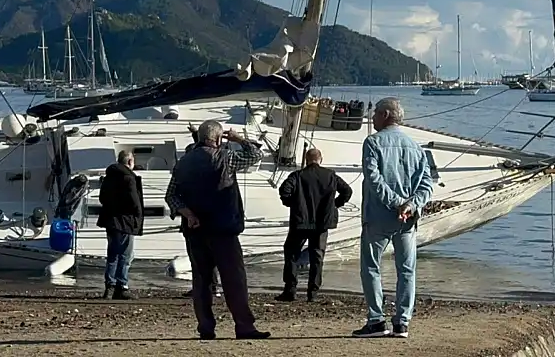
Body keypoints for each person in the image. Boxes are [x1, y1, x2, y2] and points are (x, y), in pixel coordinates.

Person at [164, 119, 271, 340]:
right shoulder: (226, 158)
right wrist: (239, 138)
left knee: (201, 280)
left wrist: (188, 214)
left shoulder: (183, 162)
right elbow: (256, 155)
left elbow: (171, 196)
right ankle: (244, 326)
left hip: (195, 230)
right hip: (223, 228)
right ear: (219, 138)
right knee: (234, 279)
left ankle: (206, 327)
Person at [352, 97, 434, 339]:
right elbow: (427, 185)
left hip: (378, 215)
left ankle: (376, 320)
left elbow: (373, 178)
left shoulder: (373, 142)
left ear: (386, 115)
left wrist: (397, 202)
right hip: (407, 219)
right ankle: (402, 322)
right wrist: (410, 204)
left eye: (376, 112)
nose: (372, 117)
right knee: (407, 270)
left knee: (371, 267)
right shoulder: (415, 146)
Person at [276, 146, 352, 302]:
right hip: (322, 223)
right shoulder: (330, 175)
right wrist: (334, 205)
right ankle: (313, 293)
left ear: (306, 160)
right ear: (320, 159)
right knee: (317, 256)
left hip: (301, 221)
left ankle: (290, 290)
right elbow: (347, 191)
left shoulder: (297, 175)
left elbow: (284, 191)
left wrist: (293, 204)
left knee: (291, 254)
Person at [97, 149, 145, 300]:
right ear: (130, 161)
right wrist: (138, 216)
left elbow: (102, 198)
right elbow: (134, 201)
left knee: (112, 254)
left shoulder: (109, 176)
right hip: (125, 220)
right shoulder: (129, 178)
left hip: (110, 220)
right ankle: (121, 286)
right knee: (125, 254)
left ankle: (109, 286)